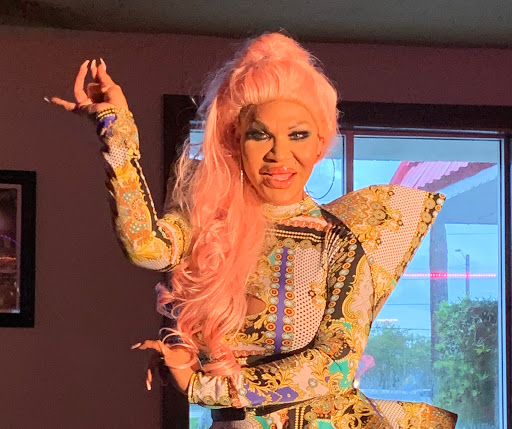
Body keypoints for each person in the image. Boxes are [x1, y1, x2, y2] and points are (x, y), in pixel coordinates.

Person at [50, 32, 457, 429]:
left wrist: (204, 387)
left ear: (319, 143)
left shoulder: (338, 242)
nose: (279, 154)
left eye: (297, 135)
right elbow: (145, 247)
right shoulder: (210, 226)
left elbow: (334, 365)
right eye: (260, 135)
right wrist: (114, 129)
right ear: (235, 141)